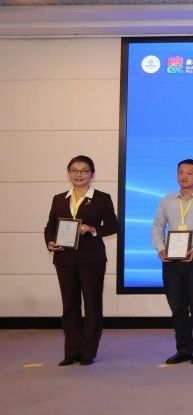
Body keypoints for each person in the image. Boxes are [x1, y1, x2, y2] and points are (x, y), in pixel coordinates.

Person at [43, 155, 118, 366]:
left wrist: (93, 229)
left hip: (91, 259)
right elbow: (50, 226)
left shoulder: (102, 198)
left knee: (92, 305)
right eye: (74, 170)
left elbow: (113, 226)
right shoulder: (59, 198)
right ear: (68, 173)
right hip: (64, 258)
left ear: (92, 174)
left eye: (84, 170)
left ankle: (88, 351)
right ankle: (71, 351)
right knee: (70, 305)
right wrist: (50, 241)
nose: (79, 174)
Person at [151, 159, 193, 365]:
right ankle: (183, 349)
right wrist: (161, 248)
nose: (184, 176)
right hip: (171, 262)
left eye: (189, 173)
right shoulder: (167, 200)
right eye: (180, 172)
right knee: (177, 308)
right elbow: (157, 227)